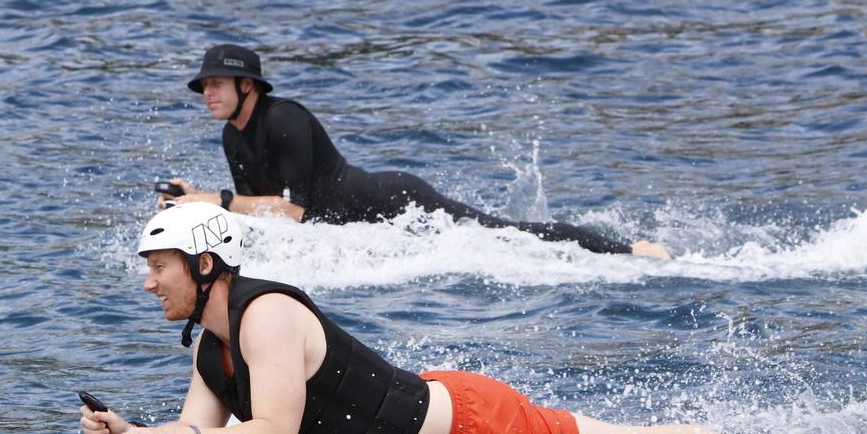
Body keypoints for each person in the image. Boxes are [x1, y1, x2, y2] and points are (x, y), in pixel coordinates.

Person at [82, 203, 852, 434]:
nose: (148, 282)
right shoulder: (213, 350)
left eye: (159, 267)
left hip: (474, 431)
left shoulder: (269, 317)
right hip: (428, 429)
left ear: (205, 265)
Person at [161, 44, 671, 259]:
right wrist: (194, 210)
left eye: (216, 83)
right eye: (204, 85)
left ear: (248, 86)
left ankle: (628, 251)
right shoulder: (232, 135)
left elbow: (294, 211)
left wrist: (215, 201)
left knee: (510, 237)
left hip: (396, 202)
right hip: (353, 222)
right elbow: (262, 213)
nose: (208, 93)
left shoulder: (285, 120)